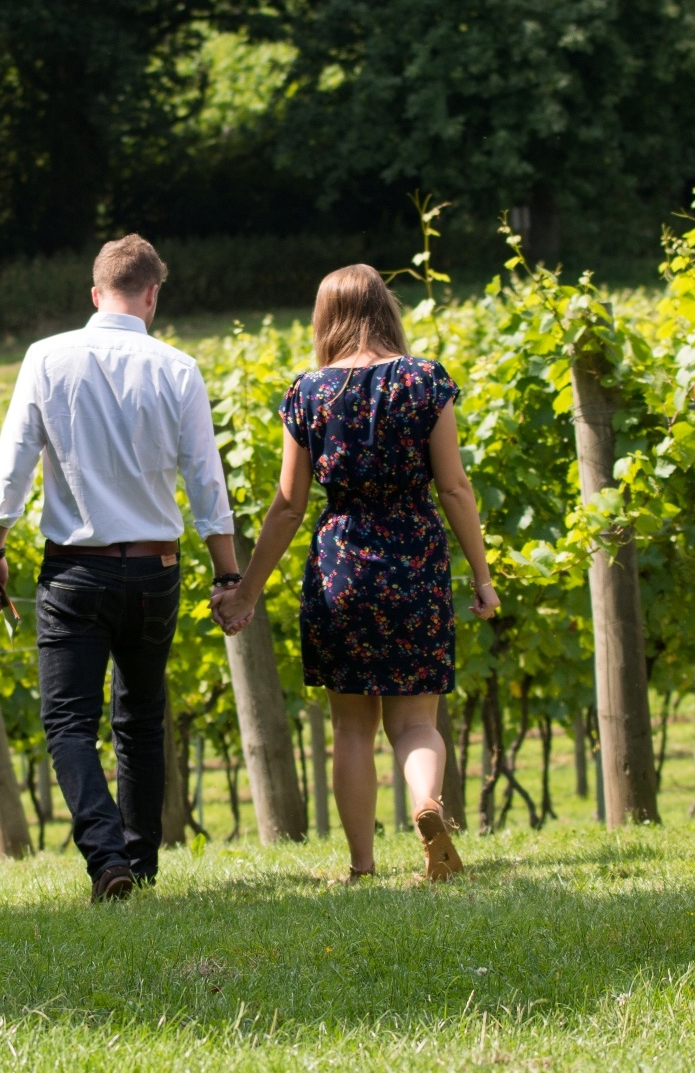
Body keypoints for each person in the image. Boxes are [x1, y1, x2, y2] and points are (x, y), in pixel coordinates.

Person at [0, 235, 244, 902]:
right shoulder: (178, 368)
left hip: (74, 572)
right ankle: (139, 863)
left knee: (69, 723)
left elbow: (12, 467)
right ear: (152, 295)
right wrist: (228, 575)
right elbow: (206, 482)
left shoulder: (46, 359)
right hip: (156, 569)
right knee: (142, 718)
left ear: (96, 293)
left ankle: (106, 856)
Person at [214, 264, 499, 881]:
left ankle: (363, 865)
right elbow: (453, 486)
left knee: (350, 727)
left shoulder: (308, 392)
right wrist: (481, 575)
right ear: (386, 310)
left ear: (326, 319)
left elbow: (289, 506)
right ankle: (427, 805)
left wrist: (247, 590)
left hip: (340, 566)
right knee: (417, 721)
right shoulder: (425, 379)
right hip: (416, 561)